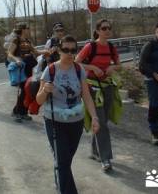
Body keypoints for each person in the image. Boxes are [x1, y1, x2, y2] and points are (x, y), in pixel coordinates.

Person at [36, 35, 100, 194]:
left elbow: (86, 95)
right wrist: (45, 90)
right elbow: (38, 100)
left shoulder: (79, 69)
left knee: (65, 160)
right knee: (63, 162)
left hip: (76, 122)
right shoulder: (50, 70)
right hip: (54, 121)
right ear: (59, 50)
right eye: (66, 50)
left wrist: (94, 117)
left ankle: (59, 176)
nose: (70, 54)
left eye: (73, 50)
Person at [75, 19, 122, 172]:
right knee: (100, 121)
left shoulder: (111, 47)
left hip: (108, 87)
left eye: (109, 28)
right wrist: (93, 67)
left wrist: (112, 67)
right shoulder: (91, 46)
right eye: (104, 28)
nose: (107, 30)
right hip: (93, 88)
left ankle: (95, 151)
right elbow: (77, 63)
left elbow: (118, 65)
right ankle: (105, 158)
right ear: (97, 30)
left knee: (104, 121)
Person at [7, 22, 49, 122]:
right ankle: (17, 112)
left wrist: (46, 52)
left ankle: (22, 112)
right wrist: (16, 60)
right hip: (20, 68)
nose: (29, 30)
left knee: (27, 90)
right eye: (27, 28)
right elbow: (9, 53)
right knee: (22, 90)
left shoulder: (27, 40)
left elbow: (36, 52)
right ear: (22, 29)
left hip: (28, 67)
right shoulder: (16, 40)